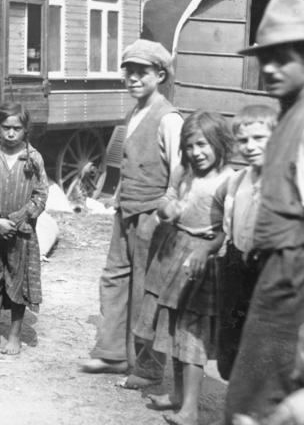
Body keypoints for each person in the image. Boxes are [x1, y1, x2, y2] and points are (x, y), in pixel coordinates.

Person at [225, 0, 304, 423]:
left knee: (258, 404)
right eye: (264, 59)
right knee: (252, 396)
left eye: (282, 58)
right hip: (279, 272)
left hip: (301, 280)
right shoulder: (289, 115)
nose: (269, 69)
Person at [81, 39, 183, 390]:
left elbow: (179, 171)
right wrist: (118, 195)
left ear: (160, 74)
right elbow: (128, 162)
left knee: (147, 289)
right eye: (129, 72)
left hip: (151, 216)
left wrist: (164, 207)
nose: (134, 78)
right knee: (115, 278)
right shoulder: (134, 112)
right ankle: (112, 353)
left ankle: (149, 366)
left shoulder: (169, 117)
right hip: (126, 211)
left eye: (142, 72)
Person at [134, 111, 234, 425]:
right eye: (190, 146)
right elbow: (167, 198)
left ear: (219, 143)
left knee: (191, 336)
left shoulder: (228, 181)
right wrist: (167, 209)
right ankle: (177, 395)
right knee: (173, 329)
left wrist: (206, 248)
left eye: (203, 144)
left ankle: (190, 408)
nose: (196, 152)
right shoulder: (183, 172)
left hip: (202, 262)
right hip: (174, 252)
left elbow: (225, 231)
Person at [0, 102, 48, 355]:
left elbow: (40, 194)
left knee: (17, 281)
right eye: (6, 127)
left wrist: (16, 220)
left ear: (25, 129)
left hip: (21, 232)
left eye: (17, 128)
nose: (11, 133)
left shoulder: (33, 158)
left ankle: (14, 335)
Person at [215, 104, 277, 380]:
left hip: (268, 273)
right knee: (232, 342)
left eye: (258, 138)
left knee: (263, 347)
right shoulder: (237, 180)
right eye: (243, 141)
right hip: (236, 267)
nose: (250, 146)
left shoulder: (284, 181)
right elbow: (224, 220)